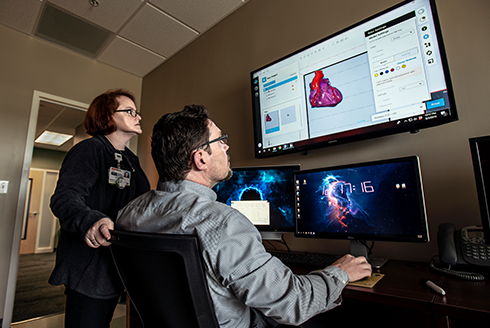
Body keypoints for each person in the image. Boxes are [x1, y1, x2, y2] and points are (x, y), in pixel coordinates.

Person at [116, 105, 372, 328]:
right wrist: (339, 272)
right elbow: (294, 303)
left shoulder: (128, 214)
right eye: (220, 140)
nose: (226, 146)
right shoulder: (223, 223)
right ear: (201, 158)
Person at [49, 89, 150, 328]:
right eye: (130, 111)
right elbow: (64, 198)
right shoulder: (89, 150)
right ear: (108, 116)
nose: (138, 117)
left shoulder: (131, 160)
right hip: (90, 269)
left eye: (137, 113)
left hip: (118, 265)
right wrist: (91, 221)